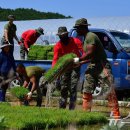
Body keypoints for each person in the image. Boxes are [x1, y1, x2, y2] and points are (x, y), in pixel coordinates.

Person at [73, 18, 120, 118]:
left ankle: (116, 116)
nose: (76, 30)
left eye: (77, 28)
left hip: (102, 66)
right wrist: (81, 62)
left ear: (83, 27)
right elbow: (91, 56)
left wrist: (79, 59)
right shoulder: (85, 38)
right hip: (93, 65)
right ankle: (86, 115)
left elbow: (90, 52)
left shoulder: (91, 36)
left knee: (108, 90)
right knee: (87, 89)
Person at [52, 26, 84, 110]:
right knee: (64, 86)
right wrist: (54, 72)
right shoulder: (58, 46)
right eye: (60, 36)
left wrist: (80, 60)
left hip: (75, 66)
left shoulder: (76, 41)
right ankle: (62, 107)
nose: (61, 37)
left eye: (63, 35)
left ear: (67, 34)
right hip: (65, 67)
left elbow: (84, 52)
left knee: (73, 87)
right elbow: (55, 59)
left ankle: (72, 108)